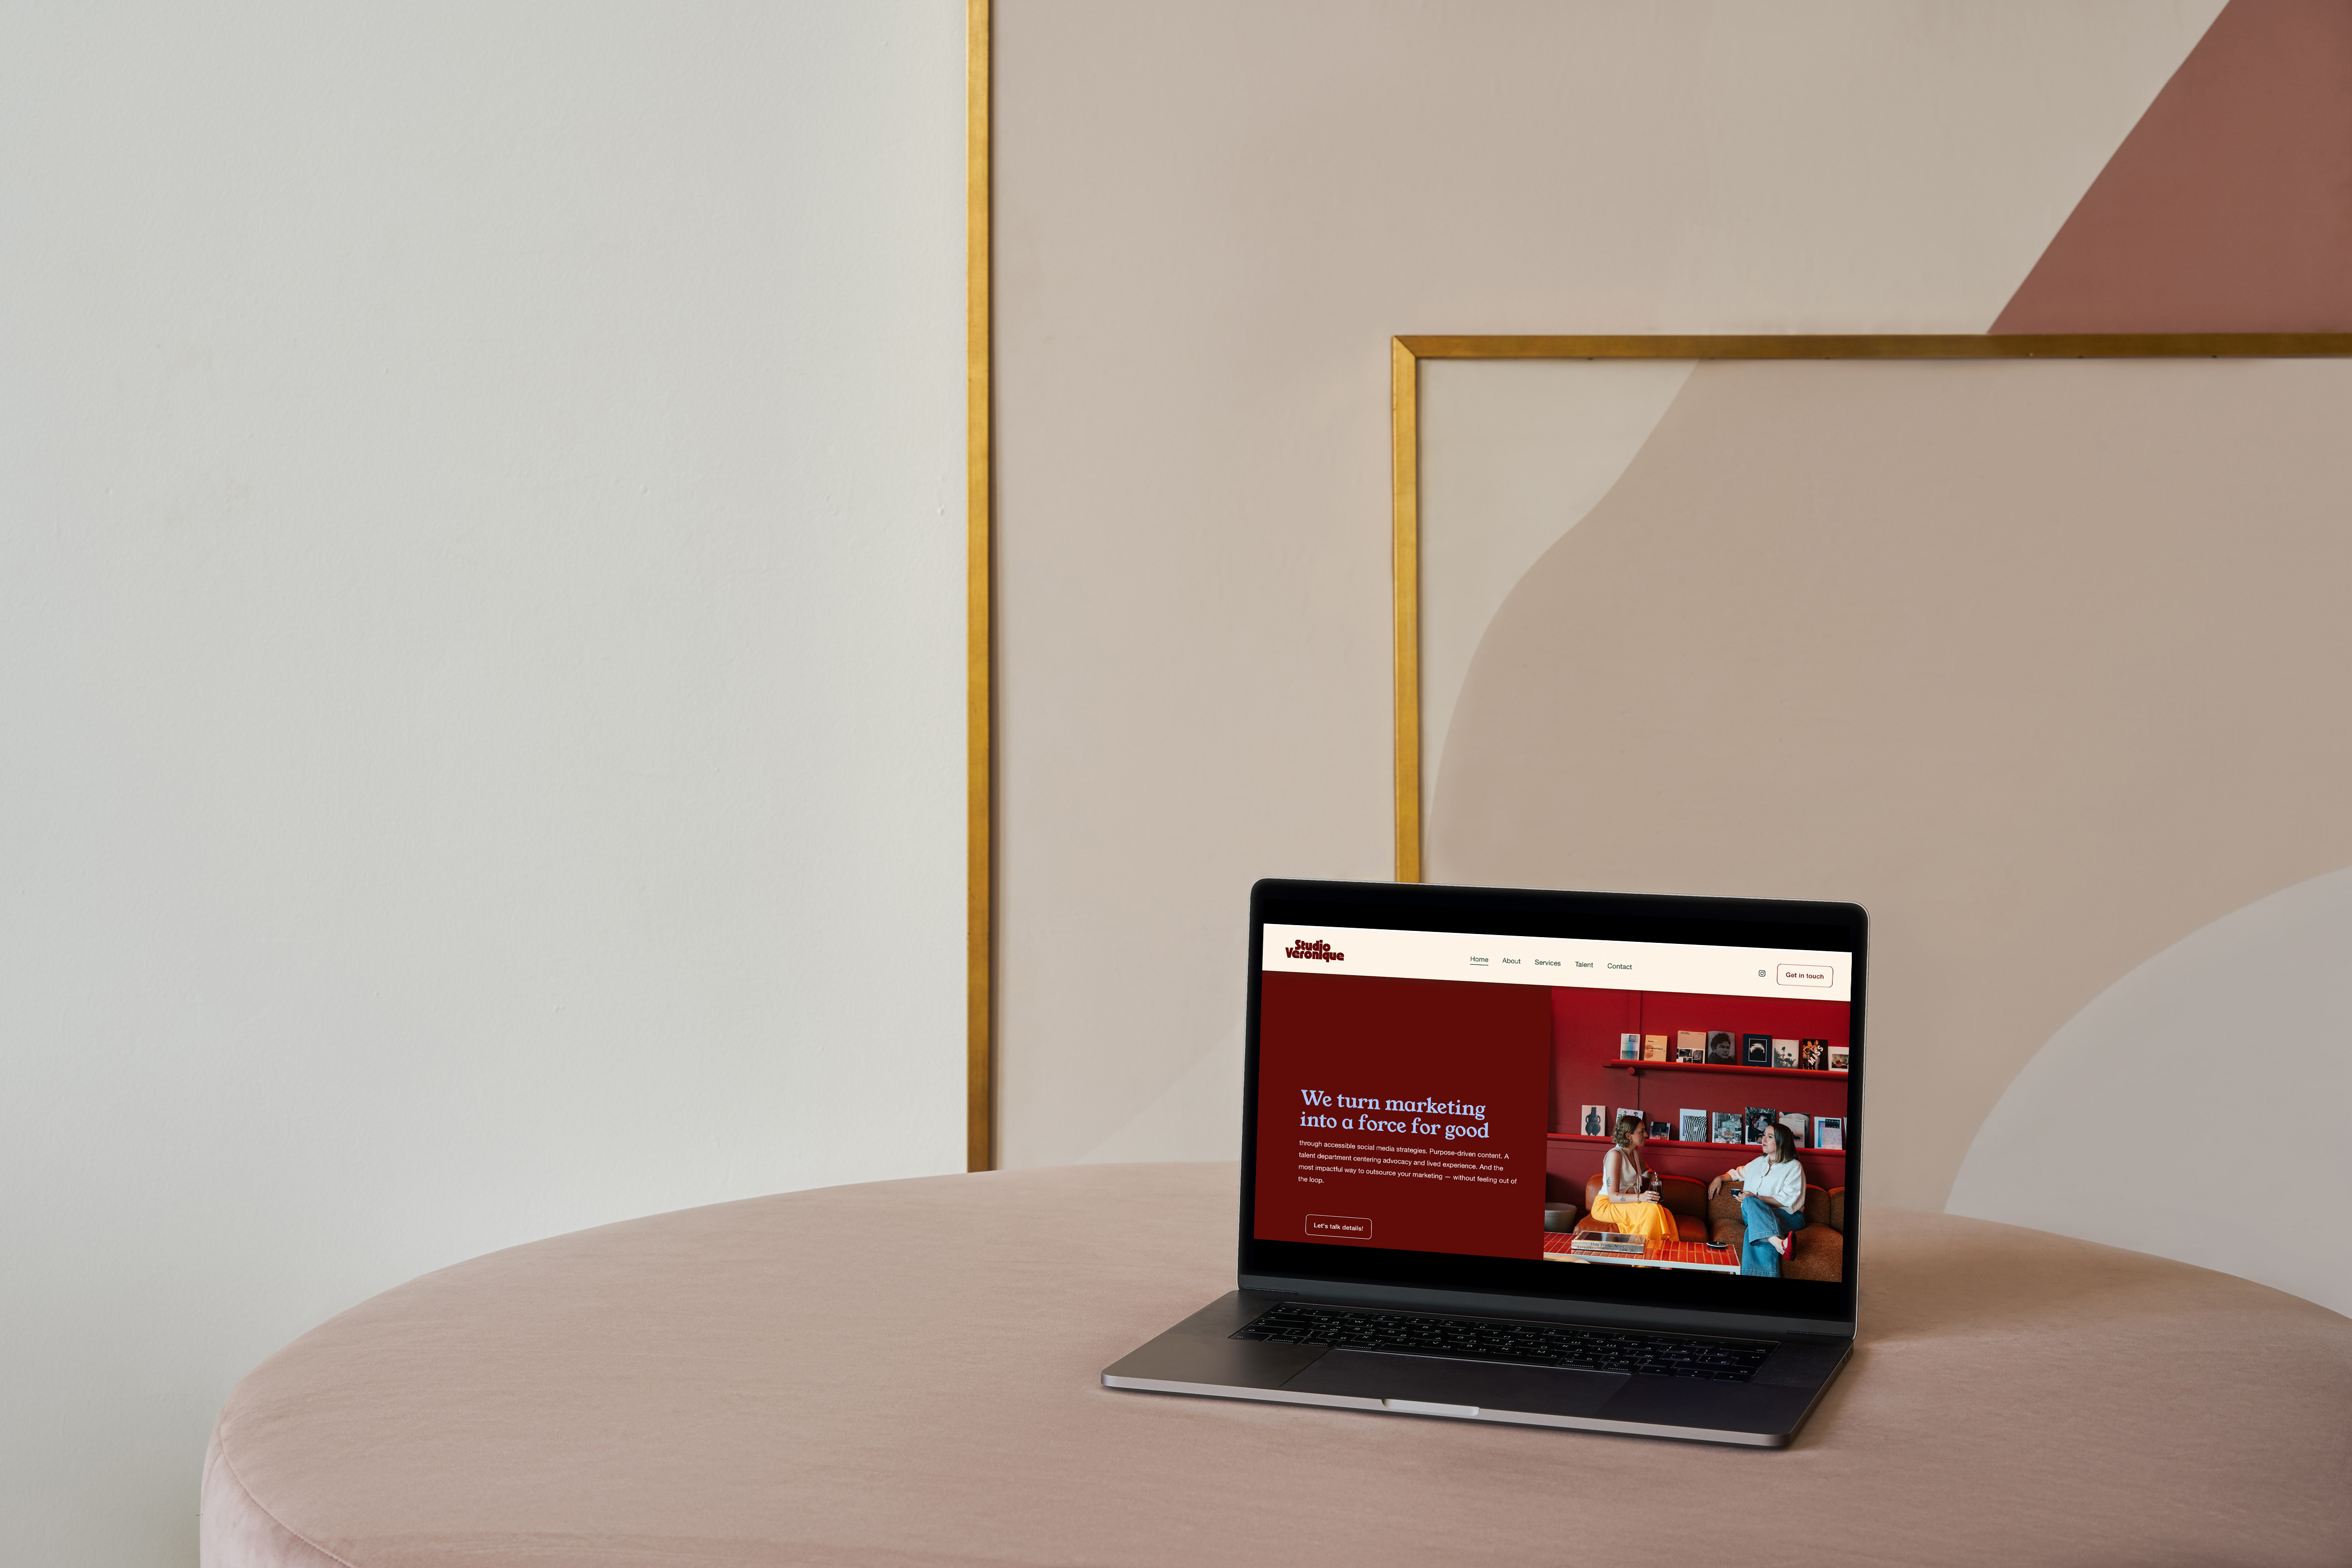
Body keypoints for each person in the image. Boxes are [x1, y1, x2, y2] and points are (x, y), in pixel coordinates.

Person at [1709, 1121, 1806, 1276]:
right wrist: (1719, 1178)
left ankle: (1773, 1243)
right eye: (1764, 1135)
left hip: (1790, 1216)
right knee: (1751, 1202)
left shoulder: (1794, 1167)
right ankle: (1779, 1244)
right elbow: (1736, 1173)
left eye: (1770, 1136)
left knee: (1754, 1227)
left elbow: (1788, 1200)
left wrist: (1757, 1198)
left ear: (1782, 1141)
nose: (1763, 1139)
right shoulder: (1758, 1162)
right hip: (1755, 1215)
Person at [1589, 1115, 1678, 1243]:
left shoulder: (1635, 1152)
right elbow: (1613, 1197)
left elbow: (1644, 1170)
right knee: (1652, 1210)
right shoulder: (1615, 1155)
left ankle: (1668, 1254)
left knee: (1665, 1213)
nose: (1646, 1135)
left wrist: (1652, 1175)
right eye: (1642, 1131)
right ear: (1629, 1136)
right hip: (1607, 1205)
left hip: (1626, 1203)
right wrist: (1641, 1197)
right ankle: (1648, 1256)